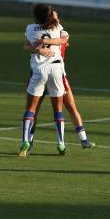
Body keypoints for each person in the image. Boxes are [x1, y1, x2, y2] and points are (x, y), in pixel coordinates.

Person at [22, 11, 95, 154]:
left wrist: (44, 42)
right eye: (53, 16)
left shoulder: (59, 30)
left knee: (70, 105)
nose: (55, 18)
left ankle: (83, 139)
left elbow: (63, 41)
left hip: (57, 73)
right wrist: (38, 49)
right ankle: (30, 141)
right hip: (52, 73)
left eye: (55, 16)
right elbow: (27, 46)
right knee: (37, 109)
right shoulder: (42, 30)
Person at [19, 4, 68, 157]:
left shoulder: (30, 28)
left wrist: (38, 47)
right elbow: (63, 40)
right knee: (58, 109)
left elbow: (26, 46)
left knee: (31, 108)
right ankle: (61, 143)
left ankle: (24, 141)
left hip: (39, 70)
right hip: (56, 69)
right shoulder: (57, 27)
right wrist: (50, 43)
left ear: (35, 16)